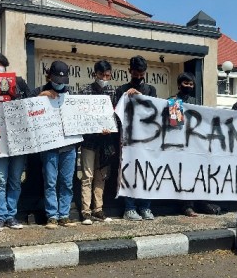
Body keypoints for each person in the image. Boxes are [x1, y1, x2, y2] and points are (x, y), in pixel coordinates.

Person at [0, 51, 31, 231]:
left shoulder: (19, 82)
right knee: (0, 178)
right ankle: (0, 216)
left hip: (18, 137)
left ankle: (11, 215)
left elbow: (29, 103)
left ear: (4, 63)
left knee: (15, 179)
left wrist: (16, 99)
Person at [30, 60, 79, 229]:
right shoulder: (38, 91)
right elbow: (25, 110)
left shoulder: (71, 95)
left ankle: (64, 214)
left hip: (69, 146)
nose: (59, 85)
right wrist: (40, 97)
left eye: (62, 82)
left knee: (67, 181)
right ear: (49, 77)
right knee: (50, 181)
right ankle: (52, 215)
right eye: (56, 81)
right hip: (49, 146)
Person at [167, 72, 223, 217]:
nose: (188, 86)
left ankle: (201, 203)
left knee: (197, 174)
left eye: (191, 84)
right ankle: (186, 206)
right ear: (179, 85)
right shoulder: (174, 101)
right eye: (186, 84)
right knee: (183, 175)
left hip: (195, 144)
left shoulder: (197, 102)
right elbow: (175, 123)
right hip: (178, 144)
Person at [114, 55, 157, 221]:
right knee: (129, 173)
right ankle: (129, 208)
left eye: (142, 73)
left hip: (147, 140)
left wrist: (139, 96)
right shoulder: (121, 90)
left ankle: (146, 207)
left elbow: (154, 110)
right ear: (129, 71)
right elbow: (117, 114)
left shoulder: (151, 90)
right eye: (136, 73)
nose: (139, 76)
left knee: (147, 173)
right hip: (128, 140)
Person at [78, 60, 115, 225]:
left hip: (106, 141)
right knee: (87, 175)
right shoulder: (85, 91)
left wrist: (110, 128)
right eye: (101, 75)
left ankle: (98, 209)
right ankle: (85, 211)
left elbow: (116, 116)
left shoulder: (113, 91)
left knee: (101, 176)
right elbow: (80, 115)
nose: (104, 78)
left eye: (107, 75)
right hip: (89, 141)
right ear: (95, 74)